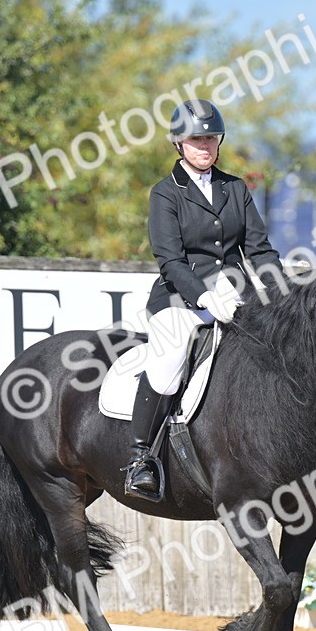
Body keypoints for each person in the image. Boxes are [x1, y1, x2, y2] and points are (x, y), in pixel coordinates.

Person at [124, 99, 283, 502]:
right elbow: (170, 261)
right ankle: (142, 457)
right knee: (171, 354)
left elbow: (259, 249)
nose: (206, 147)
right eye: (197, 139)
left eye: (211, 139)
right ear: (179, 143)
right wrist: (205, 298)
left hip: (236, 294)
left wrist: (279, 290)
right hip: (180, 297)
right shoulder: (165, 194)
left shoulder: (235, 188)